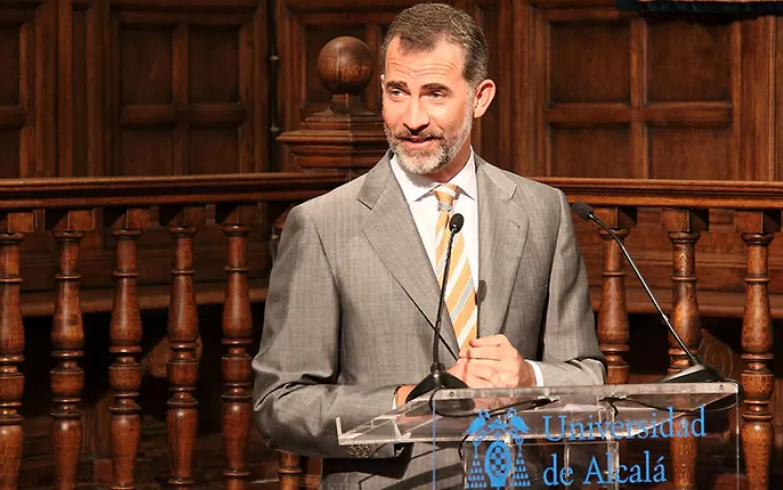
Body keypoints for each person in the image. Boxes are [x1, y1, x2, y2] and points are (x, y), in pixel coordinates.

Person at [251, 3, 605, 488]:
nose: (411, 118)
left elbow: (587, 377)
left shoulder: (542, 211)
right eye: (398, 92)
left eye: (435, 94)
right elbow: (279, 405)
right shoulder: (323, 225)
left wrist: (529, 379)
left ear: (480, 98)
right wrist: (404, 403)